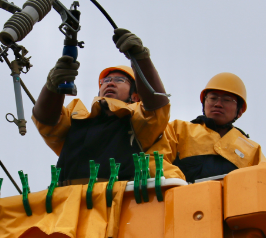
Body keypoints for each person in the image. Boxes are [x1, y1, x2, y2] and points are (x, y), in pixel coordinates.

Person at [32, 29, 171, 184]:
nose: (110, 83)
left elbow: (156, 108)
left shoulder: (138, 122)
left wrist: (140, 58)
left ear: (135, 96)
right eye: (106, 81)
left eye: (119, 80)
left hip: (119, 196)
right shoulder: (76, 119)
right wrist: (52, 86)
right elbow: (46, 122)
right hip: (68, 197)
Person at [158, 72, 265, 183]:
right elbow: (154, 159)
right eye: (213, 98)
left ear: (240, 110)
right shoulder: (178, 131)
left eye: (227, 100)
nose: (218, 104)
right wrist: (180, 184)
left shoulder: (252, 151)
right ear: (204, 103)